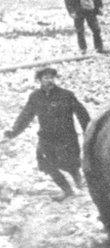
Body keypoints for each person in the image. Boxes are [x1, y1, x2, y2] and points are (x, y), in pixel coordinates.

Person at [3, 67, 91, 200]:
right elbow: (25, 116)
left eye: (51, 77)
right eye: (46, 78)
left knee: (70, 163)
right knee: (45, 163)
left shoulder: (66, 95)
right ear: (39, 80)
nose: (49, 80)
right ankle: (67, 190)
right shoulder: (35, 97)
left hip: (67, 138)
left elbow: (82, 114)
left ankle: (77, 178)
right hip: (46, 138)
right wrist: (13, 132)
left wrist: (89, 132)